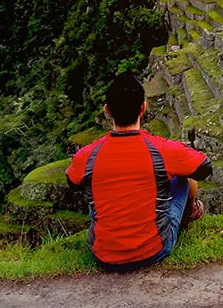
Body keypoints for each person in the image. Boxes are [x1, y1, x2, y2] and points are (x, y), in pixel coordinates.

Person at [67, 72, 213, 271]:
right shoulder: (161, 149)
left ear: (107, 110)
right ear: (143, 108)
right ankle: (189, 215)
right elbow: (204, 168)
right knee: (183, 178)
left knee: (95, 190)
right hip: (154, 250)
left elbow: (72, 182)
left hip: (103, 254)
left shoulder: (88, 155)